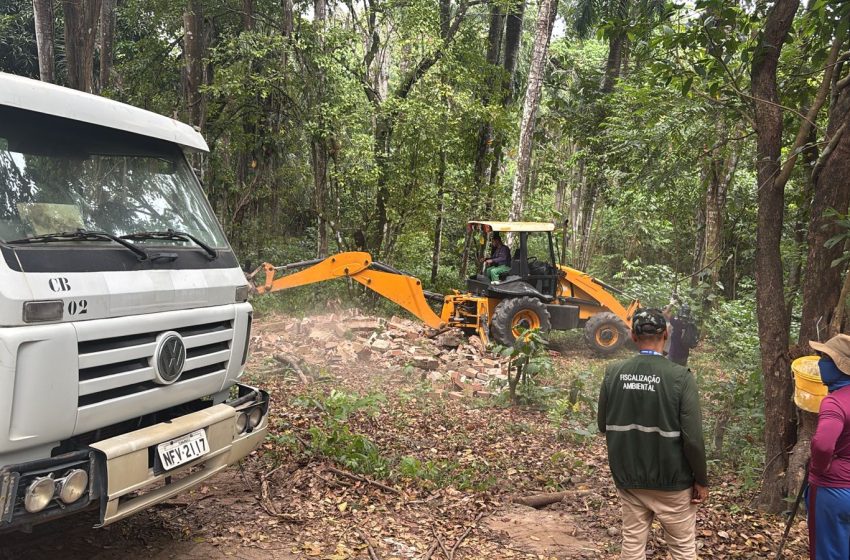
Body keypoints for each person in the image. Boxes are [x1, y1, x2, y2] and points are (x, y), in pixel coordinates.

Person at [597, 307, 709, 560]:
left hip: (629, 479)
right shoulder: (680, 377)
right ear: (667, 334)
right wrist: (701, 479)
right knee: (682, 550)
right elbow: (692, 438)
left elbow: (603, 424)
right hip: (674, 483)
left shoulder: (613, 373)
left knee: (632, 546)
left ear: (633, 337)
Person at [807, 334, 850, 560]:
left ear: (839, 366)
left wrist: (818, 469)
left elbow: (823, 446)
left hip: (834, 490)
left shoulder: (835, 402)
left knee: (829, 553)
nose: (821, 362)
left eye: (825, 357)